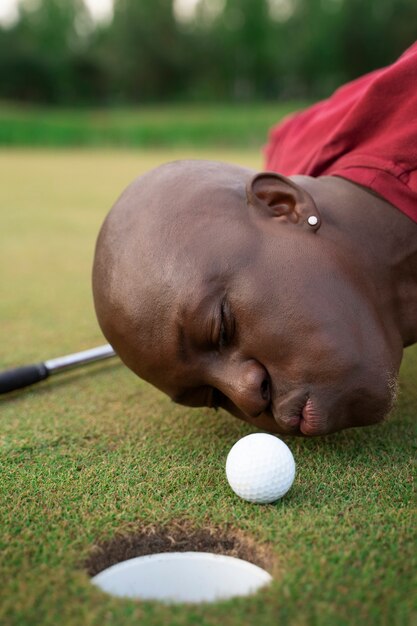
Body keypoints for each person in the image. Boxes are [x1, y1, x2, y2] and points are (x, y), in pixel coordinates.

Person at [92, 43, 417, 437]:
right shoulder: (296, 150)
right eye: (213, 398)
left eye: (223, 326)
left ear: (283, 205)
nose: (246, 395)